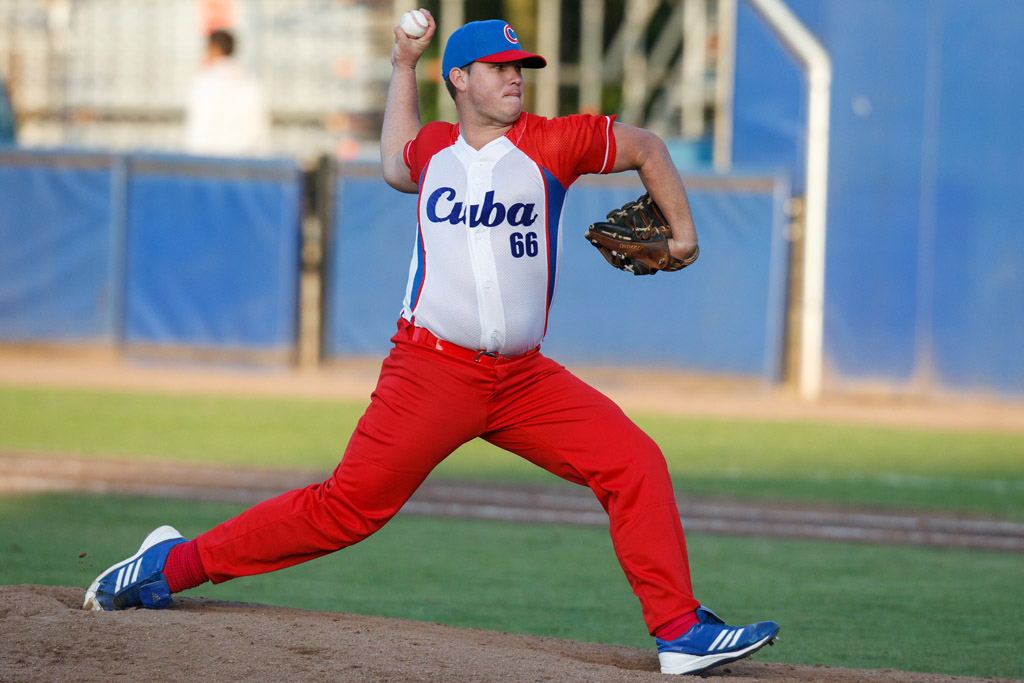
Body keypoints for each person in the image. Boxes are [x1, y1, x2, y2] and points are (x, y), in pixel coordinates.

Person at [84, 14, 779, 676]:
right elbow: (392, 157)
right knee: (344, 510)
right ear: (459, 80)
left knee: (633, 461)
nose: (516, 76)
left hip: (524, 381)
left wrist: (683, 234)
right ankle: (168, 566)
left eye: (521, 66)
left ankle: (679, 631)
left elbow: (648, 147)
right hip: (430, 371)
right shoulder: (434, 150)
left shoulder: (556, 141)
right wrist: (402, 65)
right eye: (499, 66)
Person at [183, 29, 270, 156]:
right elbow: (261, 128)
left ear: (213, 49)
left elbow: (197, 131)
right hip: (246, 161)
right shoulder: (252, 83)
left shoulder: (203, 82)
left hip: (209, 161)